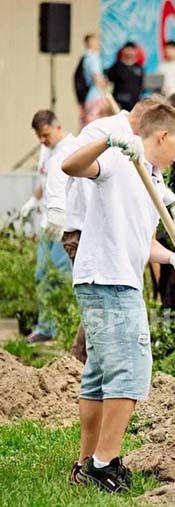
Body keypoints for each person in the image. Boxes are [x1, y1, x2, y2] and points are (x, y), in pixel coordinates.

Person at [61, 103, 175, 493]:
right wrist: (108, 140)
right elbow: (70, 167)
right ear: (160, 136)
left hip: (110, 279)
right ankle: (105, 465)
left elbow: (145, 242)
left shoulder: (151, 178)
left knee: (99, 375)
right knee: (130, 370)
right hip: (109, 281)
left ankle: (85, 462)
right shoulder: (121, 161)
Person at [24, 111, 74, 344]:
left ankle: (72, 325)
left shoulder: (72, 148)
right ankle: (46, 327)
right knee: (42, 274)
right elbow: (42, 182)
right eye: (39, 137)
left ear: (58, 127)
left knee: (66, 277)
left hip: (66, 225)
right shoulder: (46, 150)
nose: (43, 140)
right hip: (47, 225)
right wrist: (33, 201)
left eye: (45, 135)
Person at [79, 34, 109, 126]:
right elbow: (96, 76)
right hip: (95, 95)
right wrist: (104, 87)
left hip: (90, 95)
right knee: (95, 122)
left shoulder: (85, 58)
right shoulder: (93, 57)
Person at [105, 42, 144, 112]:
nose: (130, 52)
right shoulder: (116, 67)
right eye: (128, 49)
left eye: (132, 50)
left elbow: (141, 84)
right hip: (119, 104)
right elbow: (108, 82)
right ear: (123, 50)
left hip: (134, 104)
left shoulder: (139, 68)